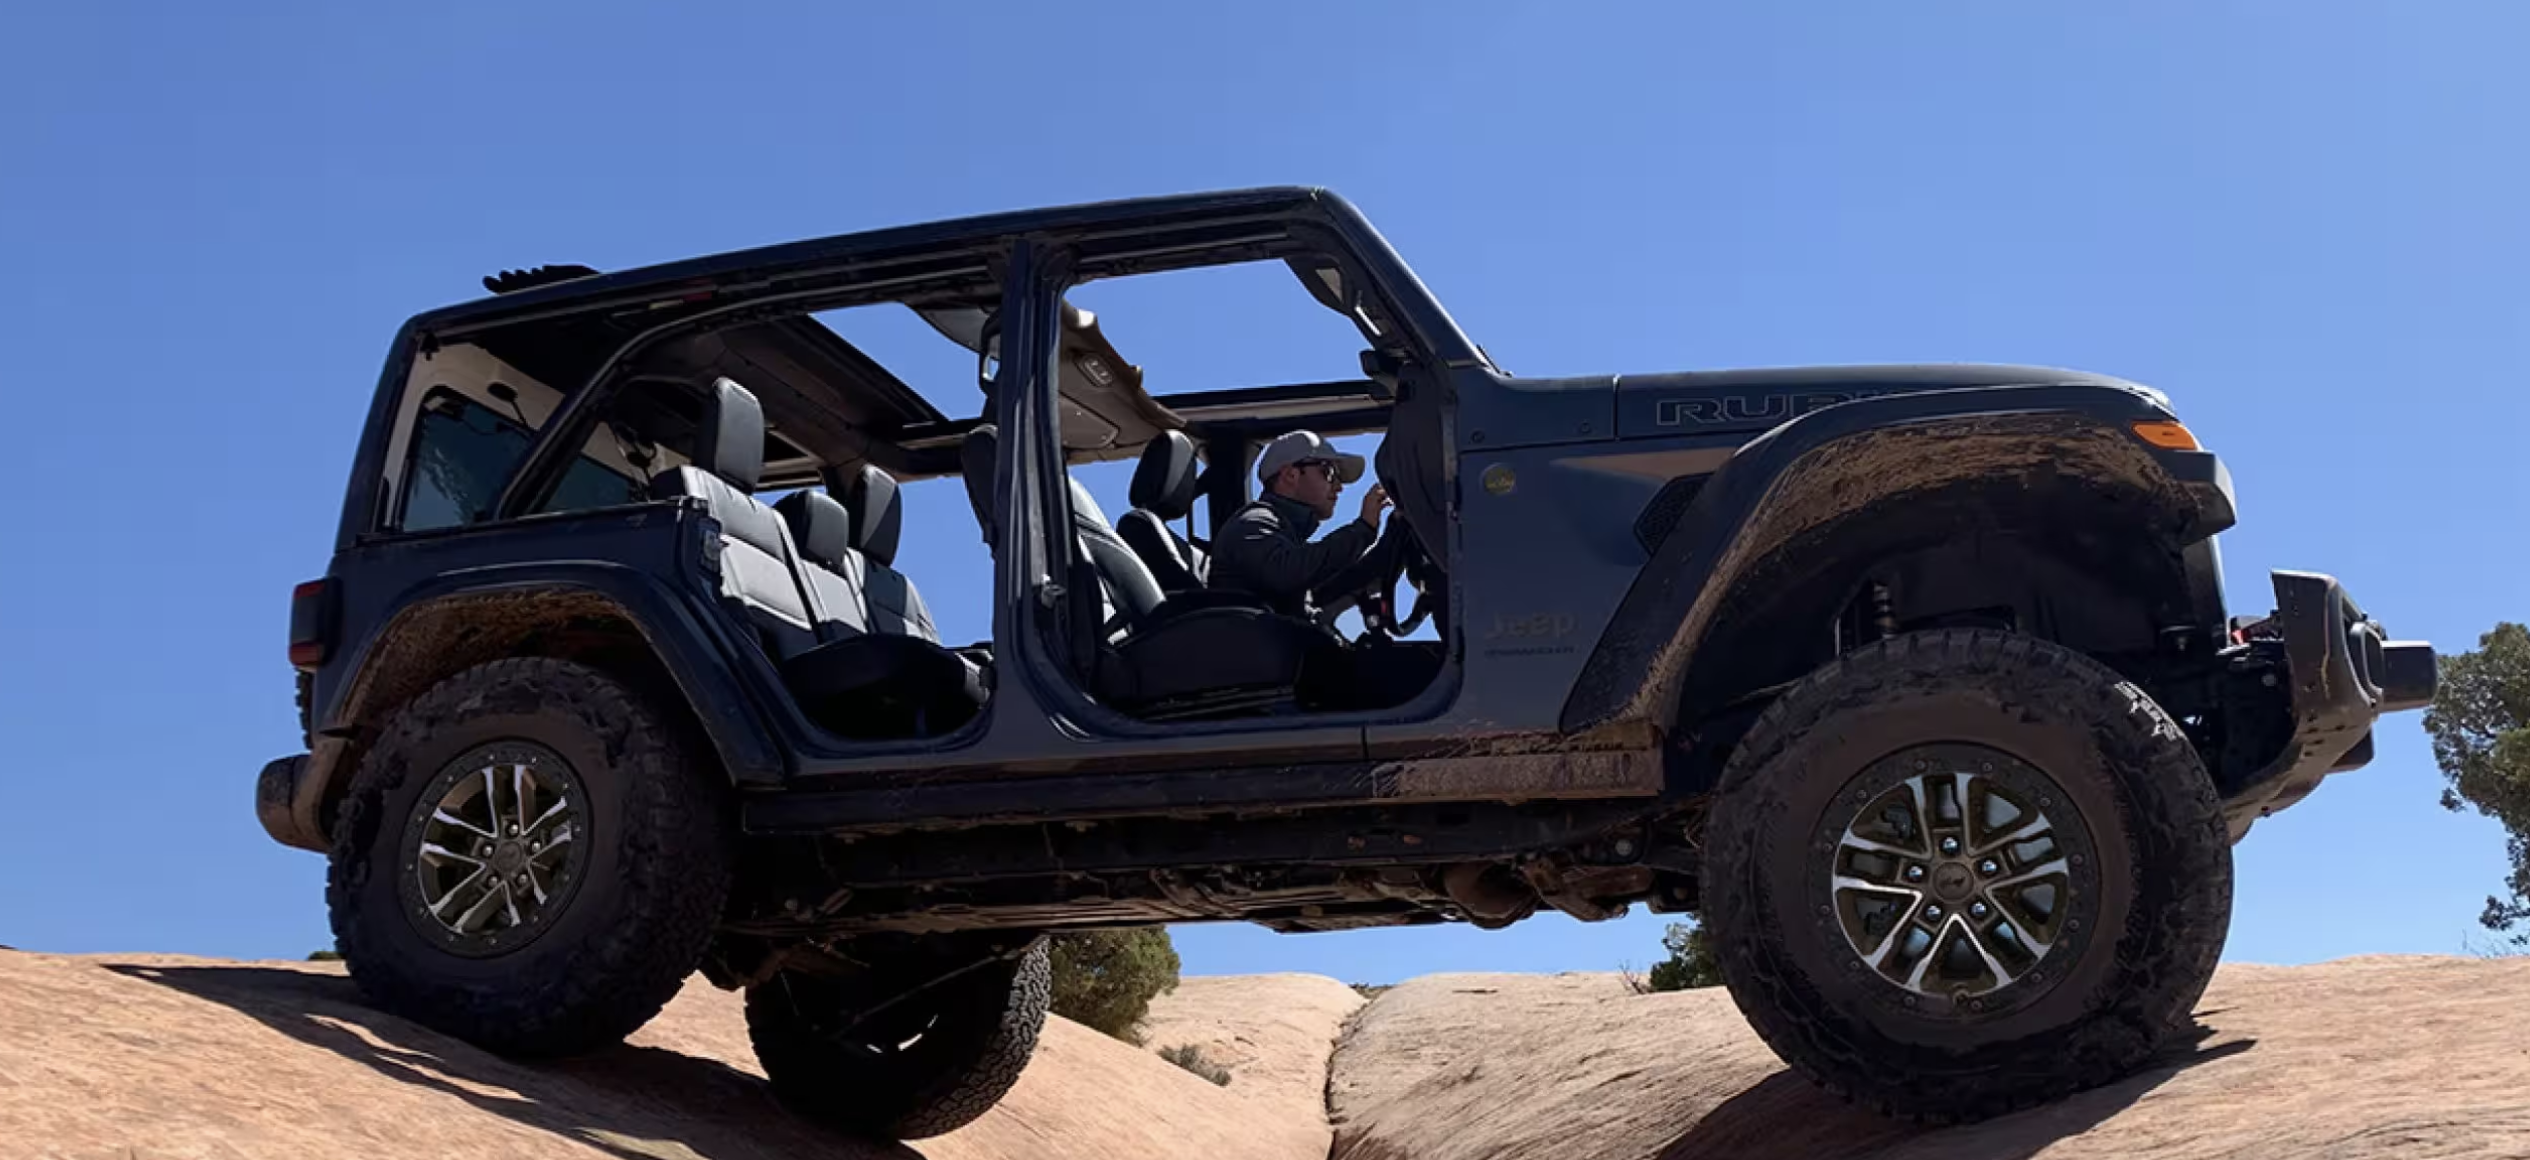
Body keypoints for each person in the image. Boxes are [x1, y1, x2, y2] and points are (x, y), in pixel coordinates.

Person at [1208, 430, 1390, 619]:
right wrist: (1363, 529)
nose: (1338, 487)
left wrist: (1390, 532)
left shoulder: (1285, 536)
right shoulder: (1252, 523)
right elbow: (1287, 573)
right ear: (1290, 475)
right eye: (1328, 472)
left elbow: (1332, 585)